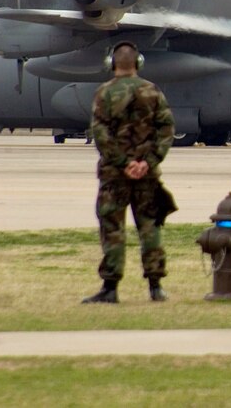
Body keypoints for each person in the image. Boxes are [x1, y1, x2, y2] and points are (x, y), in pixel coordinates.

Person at [82, 41, 176, 304]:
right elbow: (166, 130)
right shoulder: (153, 92)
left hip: (114, 176)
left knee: (112, 229)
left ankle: (110, 288)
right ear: (138, 63)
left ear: (112, 64)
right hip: (147, 176)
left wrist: (123, 163)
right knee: (150, 229)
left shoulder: (104, 93)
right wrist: (147, 161)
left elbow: (101, 135)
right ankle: (156, 287)